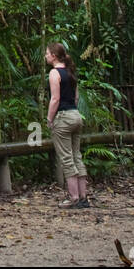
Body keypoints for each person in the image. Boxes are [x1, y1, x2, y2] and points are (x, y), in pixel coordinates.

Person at [46, 42, 89, 209]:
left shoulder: (54, 73)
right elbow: (76, 98)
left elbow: (55, 99)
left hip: (63, 117)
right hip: (76, 116)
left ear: (54, 56)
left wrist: (50, 119)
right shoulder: (71, 73)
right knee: (76, 156)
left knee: (66, 158)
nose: (46, 56)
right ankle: (83, 197)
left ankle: (74, 198)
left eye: (47, 53)